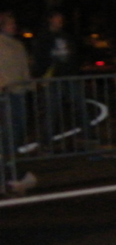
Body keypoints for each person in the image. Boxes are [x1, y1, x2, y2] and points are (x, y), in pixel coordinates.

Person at [32, 8, 89, 147]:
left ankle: (87, 135)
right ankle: (46, 142)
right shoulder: (44, 38)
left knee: (81, 106)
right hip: (53, 79)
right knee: (52, 110)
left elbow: (74, 54)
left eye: (61, 18)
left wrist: (75, 69)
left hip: (70, 77)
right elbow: (40, 58)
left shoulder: (67, 36)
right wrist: (41, 74)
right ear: (50, 19)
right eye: (57, 18)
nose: (60, 21)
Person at [0, 10, 36, 193]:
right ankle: (8, 171)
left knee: (19, 129)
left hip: (20, 91)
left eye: (14, 24)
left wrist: (29, 83)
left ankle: (11, 167)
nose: (13, 27)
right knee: (8, 132)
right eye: (10, 24)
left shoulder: (18, 44)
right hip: (6, 93)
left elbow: (24, 66)